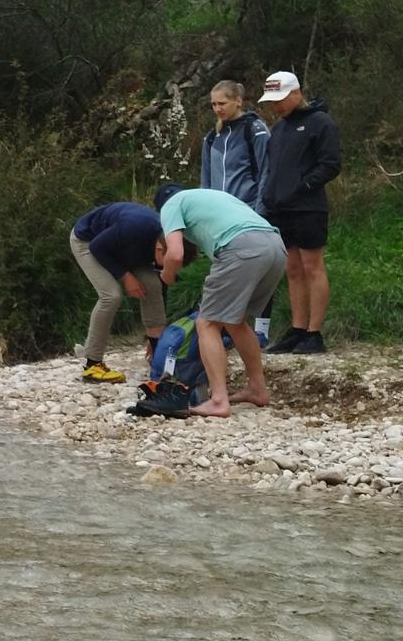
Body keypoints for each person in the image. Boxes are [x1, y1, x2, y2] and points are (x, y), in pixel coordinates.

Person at [155, 182, 287, 418]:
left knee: (207, 323)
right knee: (235, 322)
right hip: (275, 246)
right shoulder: (210, 196)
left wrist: (167, 275)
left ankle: (218, 401)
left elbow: (174, 254)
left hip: (241, 248)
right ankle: (257, 389)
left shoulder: (171, 206)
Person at [257, 71, 342, 355]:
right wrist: (270, 196)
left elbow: (330, 164)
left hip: (307, 206)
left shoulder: (320, 122)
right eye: (272, 102)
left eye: (280, 100)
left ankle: (314, 332)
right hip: (280, 208)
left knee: (312, 266)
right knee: (291, 269)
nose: (276, 107)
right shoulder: (279, 129)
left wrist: (303, 186)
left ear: (296, 93)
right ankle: (297, 328)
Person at [198, 80, 271, 345]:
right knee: (226, 270)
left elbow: (266, 172)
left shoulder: (255, 129)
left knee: (257, 269)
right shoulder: (211, 137)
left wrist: (260, 210)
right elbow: (205, 180)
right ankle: (230, 325)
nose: (217, 109)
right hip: (220, 216)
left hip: (249, 210)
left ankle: (261, 328)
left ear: (238, 101)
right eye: (213, 104)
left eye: (222, 103)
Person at [69, 201, 166, 384]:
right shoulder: (135, 229)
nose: (165, 268)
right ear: (160, 249)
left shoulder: (165, 238)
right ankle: (93, 364)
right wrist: (126, 276)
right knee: (111, 296)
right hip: (88, 242)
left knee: (153, 285)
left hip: (123, 247)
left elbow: (161, 286)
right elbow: (97, 247)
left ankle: (158, 357)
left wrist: (155, 337)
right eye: (165, 263)